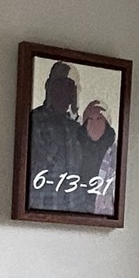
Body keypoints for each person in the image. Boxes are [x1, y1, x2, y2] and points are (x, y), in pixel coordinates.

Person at [26, 60, 82, 208]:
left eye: (69, 87)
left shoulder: (76, 128)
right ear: (49, 87)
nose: (64, 92)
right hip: (40, 210)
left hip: (73, 212)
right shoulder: (34, 121)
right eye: (59, 85)